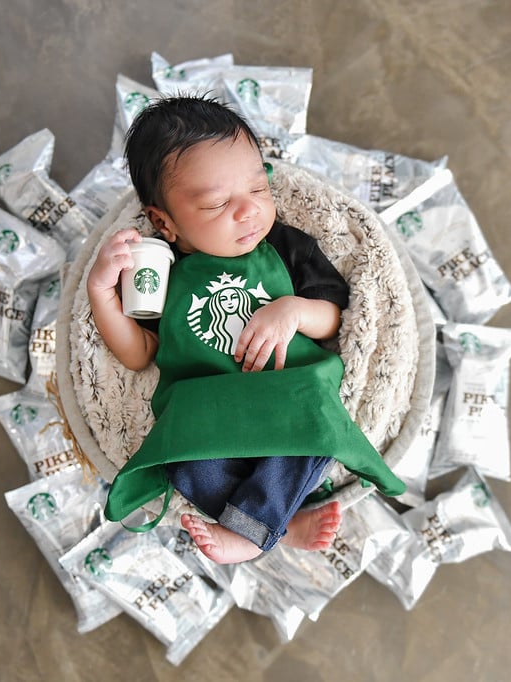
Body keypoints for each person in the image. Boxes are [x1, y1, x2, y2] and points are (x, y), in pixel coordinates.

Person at [87, 96, 404, 564]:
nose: (249, 212)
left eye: (258, 190)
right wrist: (101, 294)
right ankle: (273, 525)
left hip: (289, 394)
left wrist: (294, 311)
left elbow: (335, 319)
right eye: (217, 204)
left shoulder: (287, 246)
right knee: (184, 462)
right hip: (207, 410)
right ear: (164, 222)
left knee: (311, 434)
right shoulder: (159, 268)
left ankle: (253, 531)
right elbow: (139, 354)